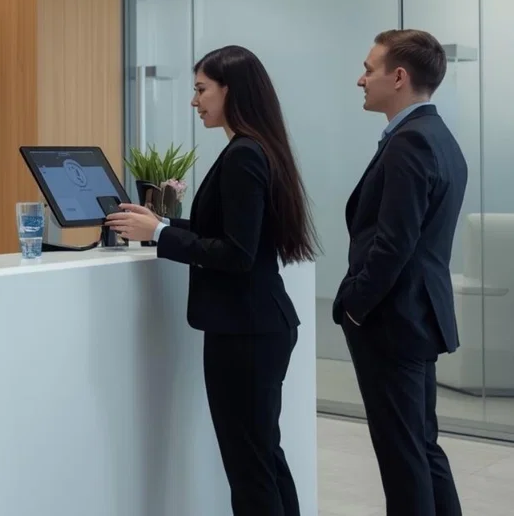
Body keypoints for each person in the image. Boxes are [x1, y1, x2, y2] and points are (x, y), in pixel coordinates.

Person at [106, 45, 316, 516]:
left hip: (245, 331)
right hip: (259, 326)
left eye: (201, 89)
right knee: (263, 457)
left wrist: (159, 233)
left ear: (230, 90)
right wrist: (159, 225)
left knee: (250, 467)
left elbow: (236, 255)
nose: (194, 101)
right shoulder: (257, 147)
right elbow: (229, 236)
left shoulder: (243, 154)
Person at [333, 29, 466, 516]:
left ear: (400, 76)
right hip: (414, 319)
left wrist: (355, 305)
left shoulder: (411, 142)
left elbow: (393, 244)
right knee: (421, 447)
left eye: (369, 69)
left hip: (393, 322)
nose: (361, 79)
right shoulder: (435, 136)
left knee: (403, 454)